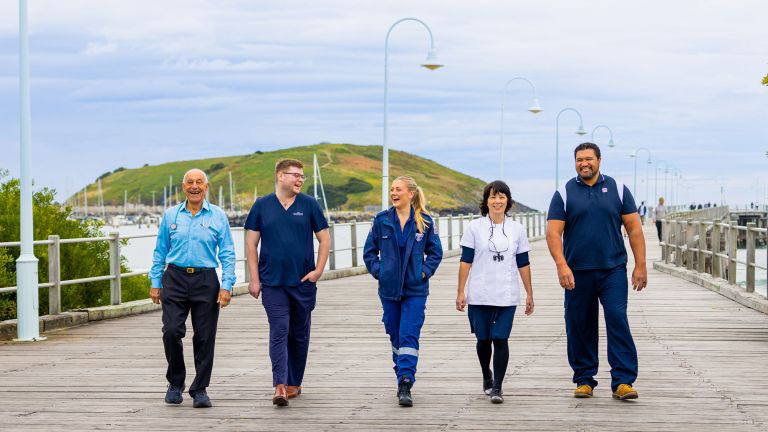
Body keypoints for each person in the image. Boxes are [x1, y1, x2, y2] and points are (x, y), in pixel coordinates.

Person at [546, 142, 647, 400]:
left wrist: (641, 265)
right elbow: (553, 232)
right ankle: (584, 379)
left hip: (612, 269)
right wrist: (561, 265)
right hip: (577, 272)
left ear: (599, 160)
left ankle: (623, 381)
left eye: (589, 159)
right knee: (579, 324)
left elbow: (634, 228)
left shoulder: (619, 189)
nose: (584, 163)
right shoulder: (564, 193)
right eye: (579, 159)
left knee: (617, 318)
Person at [244, 159, 330, 407]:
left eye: (303, 176)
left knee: (300, 335)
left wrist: (318, 271)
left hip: (302, 282)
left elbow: (324, 239)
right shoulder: (262, 206)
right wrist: (254, 279)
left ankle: (294, 381)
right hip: (272, 283)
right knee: (279, 330)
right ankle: (280, 384)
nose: (300, 179)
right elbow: (251, 244)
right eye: (296, 175)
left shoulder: (309, 205)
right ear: (281, 176)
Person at [149, 168, 236, 408]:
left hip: (206, 280)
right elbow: (160, 251)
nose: (194, 186)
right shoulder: (170, 216)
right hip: (174, 278)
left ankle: (200, 389)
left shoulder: (218, 216)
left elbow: (228, 253)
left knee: (205, 337)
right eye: (190, 182)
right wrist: (155, 282)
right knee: (172, 331)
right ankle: (175, 383)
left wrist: (227, 285)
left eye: (199, 182)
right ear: (183, 186)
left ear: (206, 187)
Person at [363, 176, 443, 407]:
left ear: (411, 193)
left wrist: (424, 272)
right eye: (391, 190)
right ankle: (402, 375)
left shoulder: (425, 222)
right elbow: (369, 253)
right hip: (388, 289)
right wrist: (380, 272)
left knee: (409, 334)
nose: (393, 193)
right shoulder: (381, 221)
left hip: (416, 289)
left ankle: (405, 382)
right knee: (395, 335)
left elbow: (435, 252)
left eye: (398, 190)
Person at [455, 180, 534, 404]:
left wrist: (530, 293)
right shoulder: (474, 227)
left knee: (500, 338)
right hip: (479, 292)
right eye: (492, 197)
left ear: (508, 201)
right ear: (486, 201)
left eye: (501, 197)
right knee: (483, 339)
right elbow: (465, 261)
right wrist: (461, 291)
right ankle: (486, 375)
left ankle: (497, 386)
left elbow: (524, 263)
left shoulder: (517, 229)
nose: (497, 201)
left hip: (507, 293)